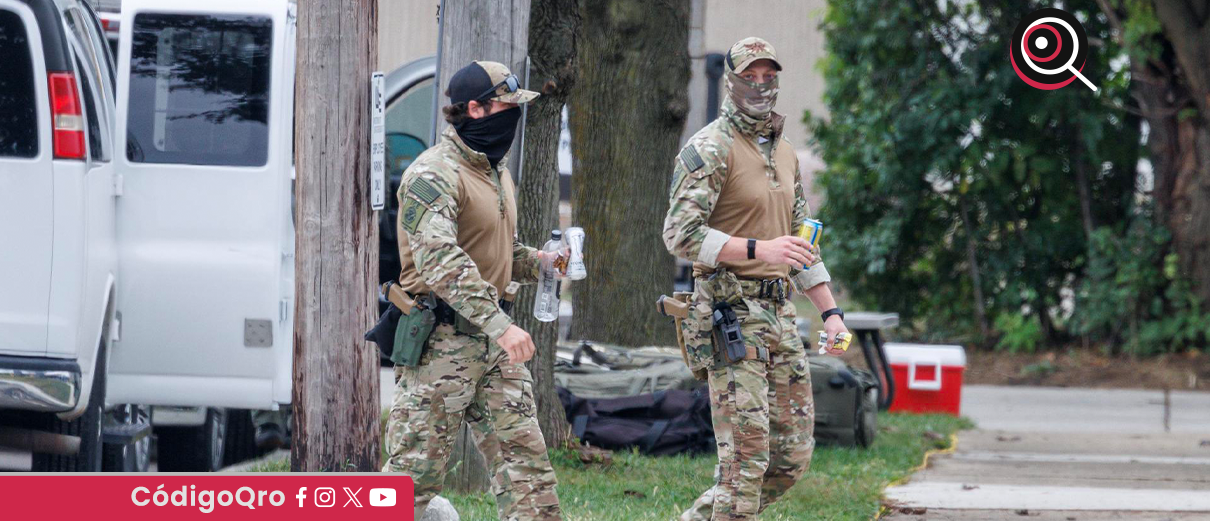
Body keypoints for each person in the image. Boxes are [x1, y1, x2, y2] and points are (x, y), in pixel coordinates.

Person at [662, 37, 850, 520]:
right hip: (730, 318)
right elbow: (679, 234)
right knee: (745, 463)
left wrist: (830, 314)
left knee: (790, 459)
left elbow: (802, 244)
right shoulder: (708, 148)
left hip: (781, 317)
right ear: (731, 81)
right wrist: (756, 249)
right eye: (750, 76)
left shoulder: (783, 153)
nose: (761, 86)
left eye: (769, 77)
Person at [381, 60, 562, 521]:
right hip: (442, 342)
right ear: (477, 110)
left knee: (529, 476)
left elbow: (493, 247)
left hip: (493, 345)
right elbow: (441, 260)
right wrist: (502, 326)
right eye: (507, 106)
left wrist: (535, 261)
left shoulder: (495, 171)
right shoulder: (432, 175)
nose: (514, 117)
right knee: (410, 480)